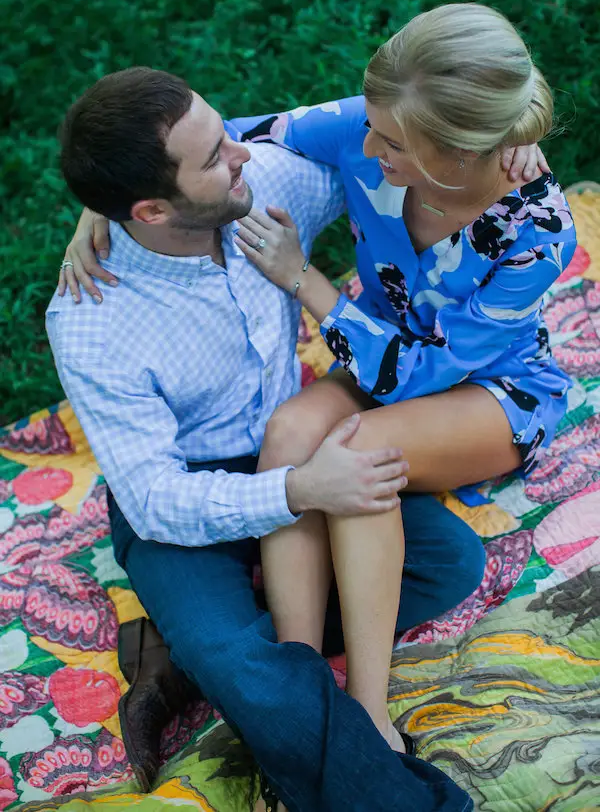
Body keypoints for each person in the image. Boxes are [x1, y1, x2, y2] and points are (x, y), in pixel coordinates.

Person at [49, 66, 487, 812]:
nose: (242, 154)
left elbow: (373, 116)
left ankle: (186, 659)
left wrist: (514, 143)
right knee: (251, 667)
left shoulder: (262, 181)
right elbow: (154, 500)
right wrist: (298, 491)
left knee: (448, 564)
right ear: (151, 209)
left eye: (227, 133)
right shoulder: (91, 322)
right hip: (187, 502)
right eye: (216, 155)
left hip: (291, 445)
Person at [219, 3, 576, 759]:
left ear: (458, 151)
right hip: (374, 352)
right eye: (372, 125)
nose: (366, 143)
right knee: (289, 431)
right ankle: (298, 682)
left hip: (489, 389)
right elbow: (224, 141)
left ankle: (368, 711)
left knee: (359, 445)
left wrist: (303, 279)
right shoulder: (370, 125)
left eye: (392, 143)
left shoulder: (537, 230)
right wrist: (107, 205)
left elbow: (422, 376)